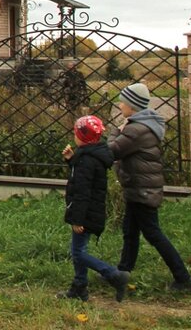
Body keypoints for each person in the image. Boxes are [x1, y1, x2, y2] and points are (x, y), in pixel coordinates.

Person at [108, 83, 191, 294]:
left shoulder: (136, 129)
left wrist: (113, 131)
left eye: (123, 101)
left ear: (132, 105)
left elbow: (113, 150)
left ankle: (184, 279)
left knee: (153, 234)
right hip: (139, 187)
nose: (120, 105)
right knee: (130, 231)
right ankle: (122, 273)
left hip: (142, 189)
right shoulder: (143, 124)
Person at [58, 115, 129, 302]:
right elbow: (84, 178)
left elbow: (82, 192)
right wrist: (71, 160)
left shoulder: (86, 160)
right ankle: (79, 287)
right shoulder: (91, 155)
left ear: (81, 136)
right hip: (92, 209)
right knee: (78, 248)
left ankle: (114, 275)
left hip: (85, 212)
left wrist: (77, 219)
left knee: (78, 252)